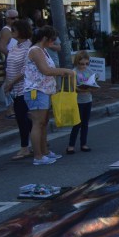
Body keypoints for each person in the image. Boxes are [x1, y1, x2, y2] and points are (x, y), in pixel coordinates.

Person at [23, 26, 76, 165]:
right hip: (36, 90)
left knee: (43, 123)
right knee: (38, 123)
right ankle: (38, 156)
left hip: (44, 90)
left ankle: (44, 151)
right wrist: (65, 71)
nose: (53, 42)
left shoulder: (43, 50)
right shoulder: (35, 50)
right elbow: (46, 70)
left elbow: (47, 71)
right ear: (45, 38)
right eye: (52, 39)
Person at [2, 20, 33, 160]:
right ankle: (38, 141)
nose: (11, 32)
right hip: (14, 88)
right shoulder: (15, 46)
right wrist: (8, 83)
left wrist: (11, 83)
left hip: (23, 88)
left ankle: (25, 148)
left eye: (13, 30)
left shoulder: (28, 48)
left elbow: (25, 70)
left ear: (20, 31)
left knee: (22, 118)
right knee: (24, 118)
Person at [66, 50, 96, 154]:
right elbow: (74, 88)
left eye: (86, 64)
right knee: (77, 123)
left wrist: (91, 87)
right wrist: (86, 89)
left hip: (88, 100)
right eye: (81, 64)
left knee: (85, 124)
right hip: (77, 101)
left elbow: (94, 84)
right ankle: (71, 145)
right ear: (77, 62)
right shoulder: (74, 72)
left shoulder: (90, 71)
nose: (84, 66)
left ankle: (84, 143)